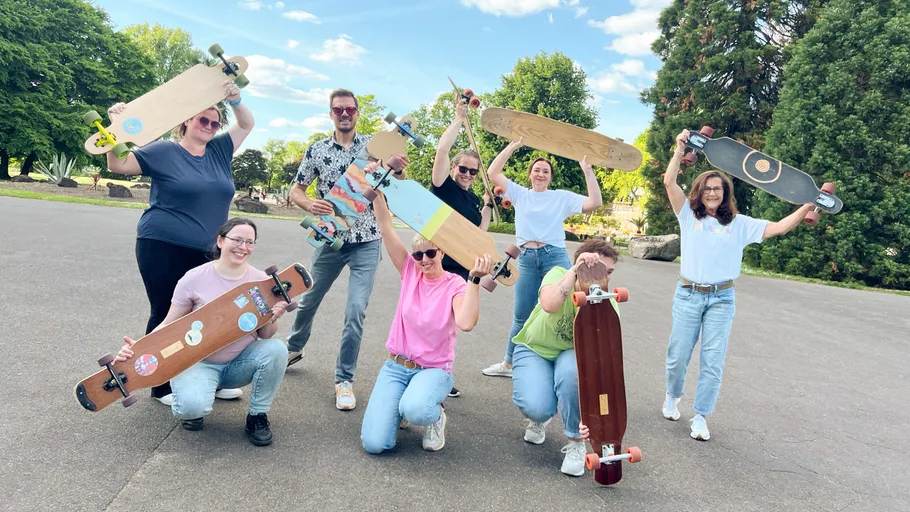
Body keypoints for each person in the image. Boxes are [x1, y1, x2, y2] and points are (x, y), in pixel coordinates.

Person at [105, 80, 254, 405]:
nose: (210, 126)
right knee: (167, 313)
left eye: (215, 123)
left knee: (209, 316)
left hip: (209, 251)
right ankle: (160, 384)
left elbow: (247, 123)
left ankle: (208, 378)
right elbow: (119, 164)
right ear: (186, 120)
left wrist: (235, 99)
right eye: (203, 120)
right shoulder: (163, 151)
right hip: (162, 246)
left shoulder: (218, 150)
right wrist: (114, 130)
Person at [662, 129, 816, 441]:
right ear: (699, 192)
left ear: (725, 193)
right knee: (678, 354)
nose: (712, 194)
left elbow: (779, 227)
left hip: (721, 298)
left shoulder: (741, 223)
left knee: (713, 359)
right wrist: (679, 150)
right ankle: (672, 395)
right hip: (688, 294)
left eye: (717, 189)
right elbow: (668, 182)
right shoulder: (687, 216)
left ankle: (701, 416)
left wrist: (807, 204)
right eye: (707, 189)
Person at [114, 218, 291, 446]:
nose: (243, 247)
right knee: (191, 408)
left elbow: (266, 335)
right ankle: (197, 398)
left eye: (250, 242)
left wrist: (272, 317)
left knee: (276, 349)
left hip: (240, 362)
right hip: (198, 362)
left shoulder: (260, 280)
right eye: (237, 240)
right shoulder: (194, 278)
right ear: (220, 241)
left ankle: (257, 415)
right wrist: (136, 349)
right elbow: (169, 323)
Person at [285, 88, 408, 411]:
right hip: (329, 239)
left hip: (366, 241)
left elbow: (397, 176)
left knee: (355, 311)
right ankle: (293, 348)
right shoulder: (317, 150)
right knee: (308, 299)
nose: (344, 114)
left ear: (357, 113)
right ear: (331, 114)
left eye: (350, 110)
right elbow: (296, 189)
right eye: (338, 109)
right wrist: (311, 204)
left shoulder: (373, 148)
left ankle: (344, 380)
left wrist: (397, 167)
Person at [360, 190, 491, 453]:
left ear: (441, 252)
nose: (424, 260)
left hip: (433, 369)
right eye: (418, 255)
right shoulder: (410, 271)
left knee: (417, 410)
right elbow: (386, 229)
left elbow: (466, 323)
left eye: (430, 253)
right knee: (375, 444)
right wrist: (376, 193)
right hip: (396, 366)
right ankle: (402, 405)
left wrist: (474, 280)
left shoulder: (455, 284)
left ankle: (434, 414)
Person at [481, 138, 604, 378]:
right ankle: (509, 364)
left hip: (554, 256)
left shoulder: (560, 197)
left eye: (545, 171)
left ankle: (574, 364)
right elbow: (493, 172)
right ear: (530, 174)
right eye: (536, 170)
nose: (540, 174)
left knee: (567, 308)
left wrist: (588, 170)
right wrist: (512, 147)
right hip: (526, 258)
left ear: (550, 177)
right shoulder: (519, 194)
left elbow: (595, 202)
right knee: (522, 313)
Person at [509, 239, 620, 476]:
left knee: (573, 373)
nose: (605, 277)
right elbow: (549, 304)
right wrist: (574, 272)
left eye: (609, 272)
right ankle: (540, 419)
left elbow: (599, 354)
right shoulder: (558, 273)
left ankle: (574, 442)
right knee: (537, 407)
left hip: (571, 354)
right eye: (598, 269)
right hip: (535, 348)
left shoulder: (607, 300)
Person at [429, 97, 494, 398]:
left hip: (460, 272)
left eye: (472, 171)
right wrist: (458, 117)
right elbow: (442, 148)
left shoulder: (470, 199)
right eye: (463, 169)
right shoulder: (443, 185)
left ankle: (441, 375)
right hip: (436, 266)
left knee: (449, 329)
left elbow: (478, 235)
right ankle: (421, 372)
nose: (467, 175)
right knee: (429, 323)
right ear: (454, 166)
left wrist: (488, 207)